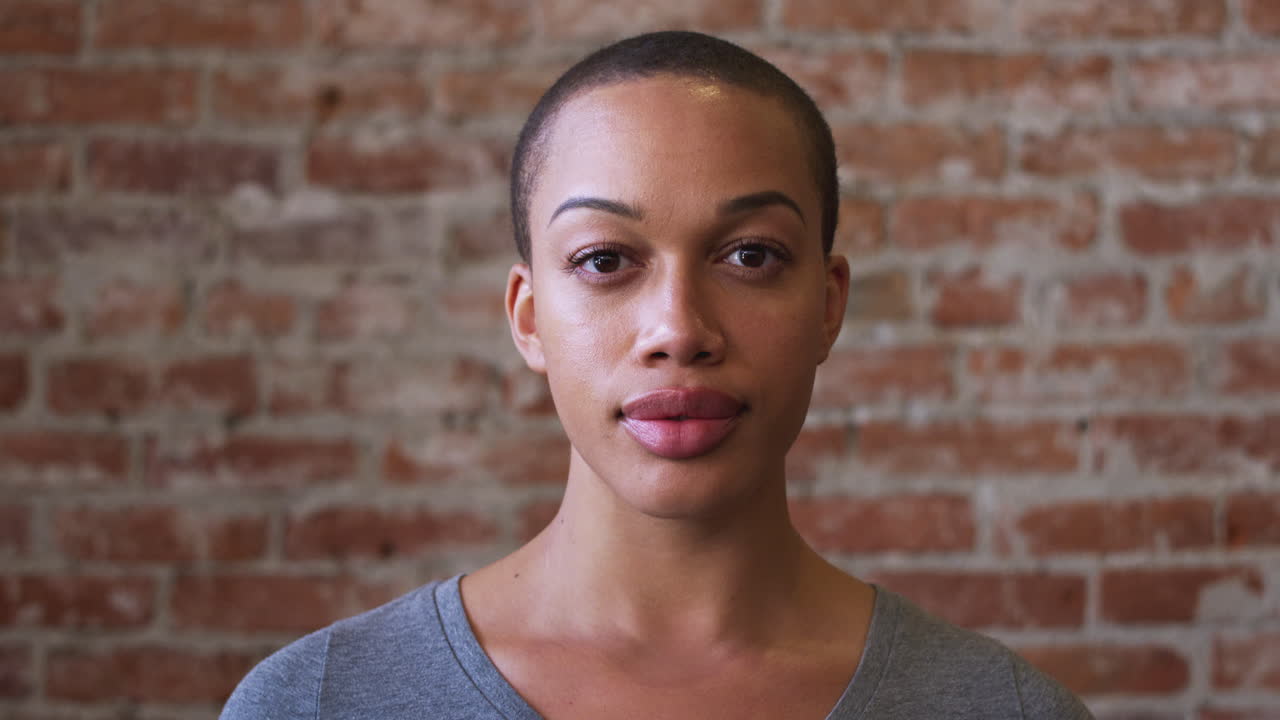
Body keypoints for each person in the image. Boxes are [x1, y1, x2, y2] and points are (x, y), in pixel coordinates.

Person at [220, 31, 1094, 719]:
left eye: (750, 255)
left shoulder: (1004, 709)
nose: (679, 329)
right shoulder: (315, 702)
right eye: (605, 260)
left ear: (828, 306)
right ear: (528, 318)